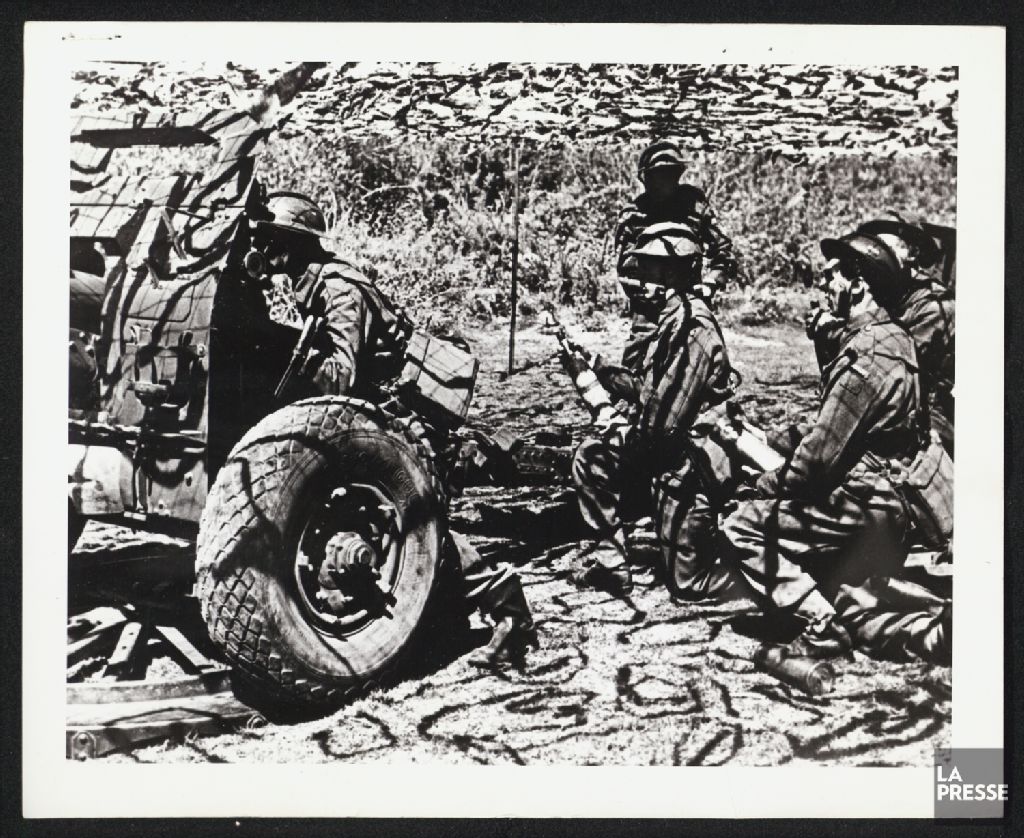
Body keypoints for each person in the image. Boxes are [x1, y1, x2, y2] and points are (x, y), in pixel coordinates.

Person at [246, 191, 537, 667]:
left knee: (421, 521)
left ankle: (510, 614)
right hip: (375, 412)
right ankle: (445, 616)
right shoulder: (309, 283)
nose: (264, 248)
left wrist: (284, 356)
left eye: (273, 239)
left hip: (403, 415)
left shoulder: (339, 289)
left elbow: (341, 375)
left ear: (296, 244)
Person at [716, 230, 947, 659]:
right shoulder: (895, 337)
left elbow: (815, 463)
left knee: (740, 526)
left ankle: (820, 628)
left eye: (831, 276)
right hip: (893, 503)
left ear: (858, 284)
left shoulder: (866, 358)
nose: (822, 285)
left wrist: (760, 485)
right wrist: (766, 437)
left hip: (866, 504)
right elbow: (843, 426)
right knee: (852, 602)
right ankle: (930, 629)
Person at [571, 221, 739, 600]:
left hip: (690, 466)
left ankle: (762, 566)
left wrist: (620, 434)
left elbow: (664, 424)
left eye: (651, 270)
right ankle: (612, 564)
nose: (640, 279)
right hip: (667, 452)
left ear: (677, 274)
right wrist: (598, 367)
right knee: (592, 458)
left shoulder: (693, 329)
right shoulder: (669, 320)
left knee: (688, 584)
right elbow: (648, 390)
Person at [614, 140, 738, 304]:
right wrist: (643, 290)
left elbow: (723, 250)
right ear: (646, 177)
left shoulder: (695, 207)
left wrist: (711, 282)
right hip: (648, 303)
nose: (663, 180)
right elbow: (626, 269)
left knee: (703, 321)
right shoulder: (634, 215)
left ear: (678, 174)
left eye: (669, 173)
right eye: (658, 174)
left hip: (691, 298)